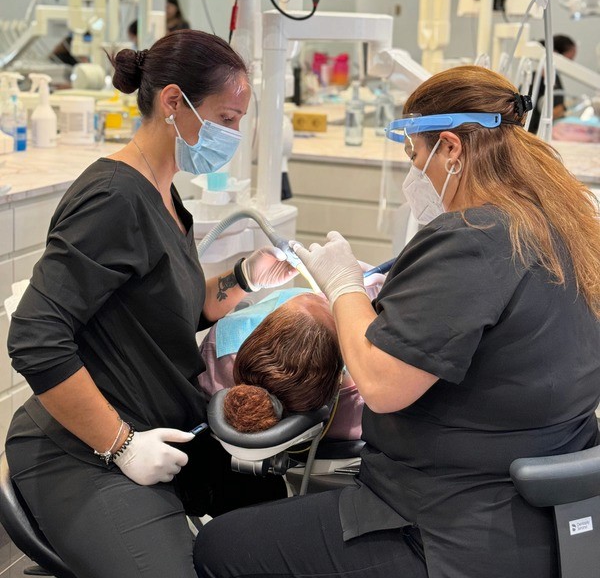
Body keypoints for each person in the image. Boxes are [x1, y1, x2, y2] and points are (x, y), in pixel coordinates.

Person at [195, 64, 600, 578]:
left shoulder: (473, 237)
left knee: (221, 548)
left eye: (415, 156)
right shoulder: (557, 221)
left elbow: (382, 385)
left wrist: (343, 288)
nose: (416, 174)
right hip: (545, 514)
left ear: (451, 149)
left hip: (453, 528)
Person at [5, 29, 298, 578]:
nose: (232, 135)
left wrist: (244, 278)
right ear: (173, 103)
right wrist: (121, 446)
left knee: (274, 519)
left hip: (161, 431)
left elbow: (174, 310)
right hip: (80, 449)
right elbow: (35, 339)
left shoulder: (165, 193)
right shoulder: (113, 197)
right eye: (227, 119)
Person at [198, 290, 364, 440]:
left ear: (259, 334)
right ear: (337, 372)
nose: (322, 297)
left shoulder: (218, 346)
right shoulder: (357, 408)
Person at [529, 33, 577, 133]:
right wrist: (565, 107)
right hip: (534, 132)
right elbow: (548, 113)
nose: (572, 63)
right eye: (570, 58)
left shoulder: (555, 79)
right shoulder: (535, 81)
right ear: (555, 54)